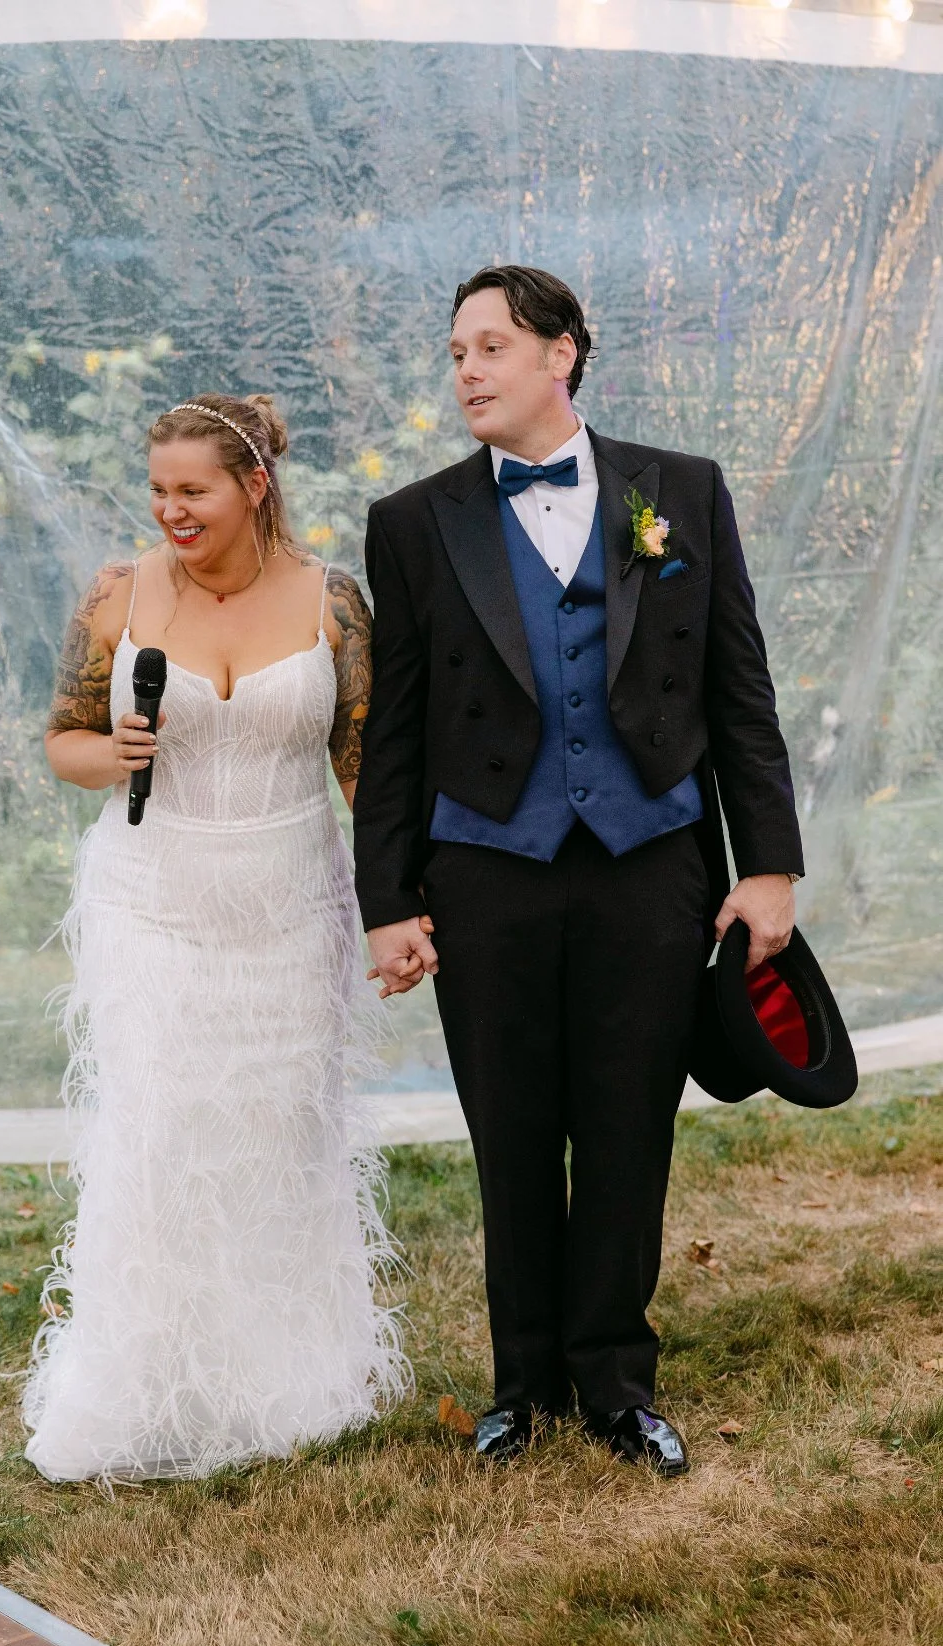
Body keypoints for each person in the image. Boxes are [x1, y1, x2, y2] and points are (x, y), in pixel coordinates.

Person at [353, 267, 803, 1476]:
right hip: (486, 865)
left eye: (489, 346)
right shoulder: (411, 521)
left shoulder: (680, 494)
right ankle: (521, 1382)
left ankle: (613, 1379)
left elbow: (736, 691)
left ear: (562, 354)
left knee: (623, 1129)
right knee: (510, 1133)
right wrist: (388, 899)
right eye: (453, 352)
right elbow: (393, 730)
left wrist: (767, 867)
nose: (465, 371)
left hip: (647, 861)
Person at [23, 392, 406, 1484]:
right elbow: (64, 741)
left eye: (192, 490)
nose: (170, 510)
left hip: (290, 902)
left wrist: (399, 902)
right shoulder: (117, 595)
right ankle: (140, 1393)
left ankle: (276, 1383)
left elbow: (362, 769)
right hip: (153, 898)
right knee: (161, 1127)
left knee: (276, 1130)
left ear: (254, 486)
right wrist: (117, 751)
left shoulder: (333, 604)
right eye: (158, 491)